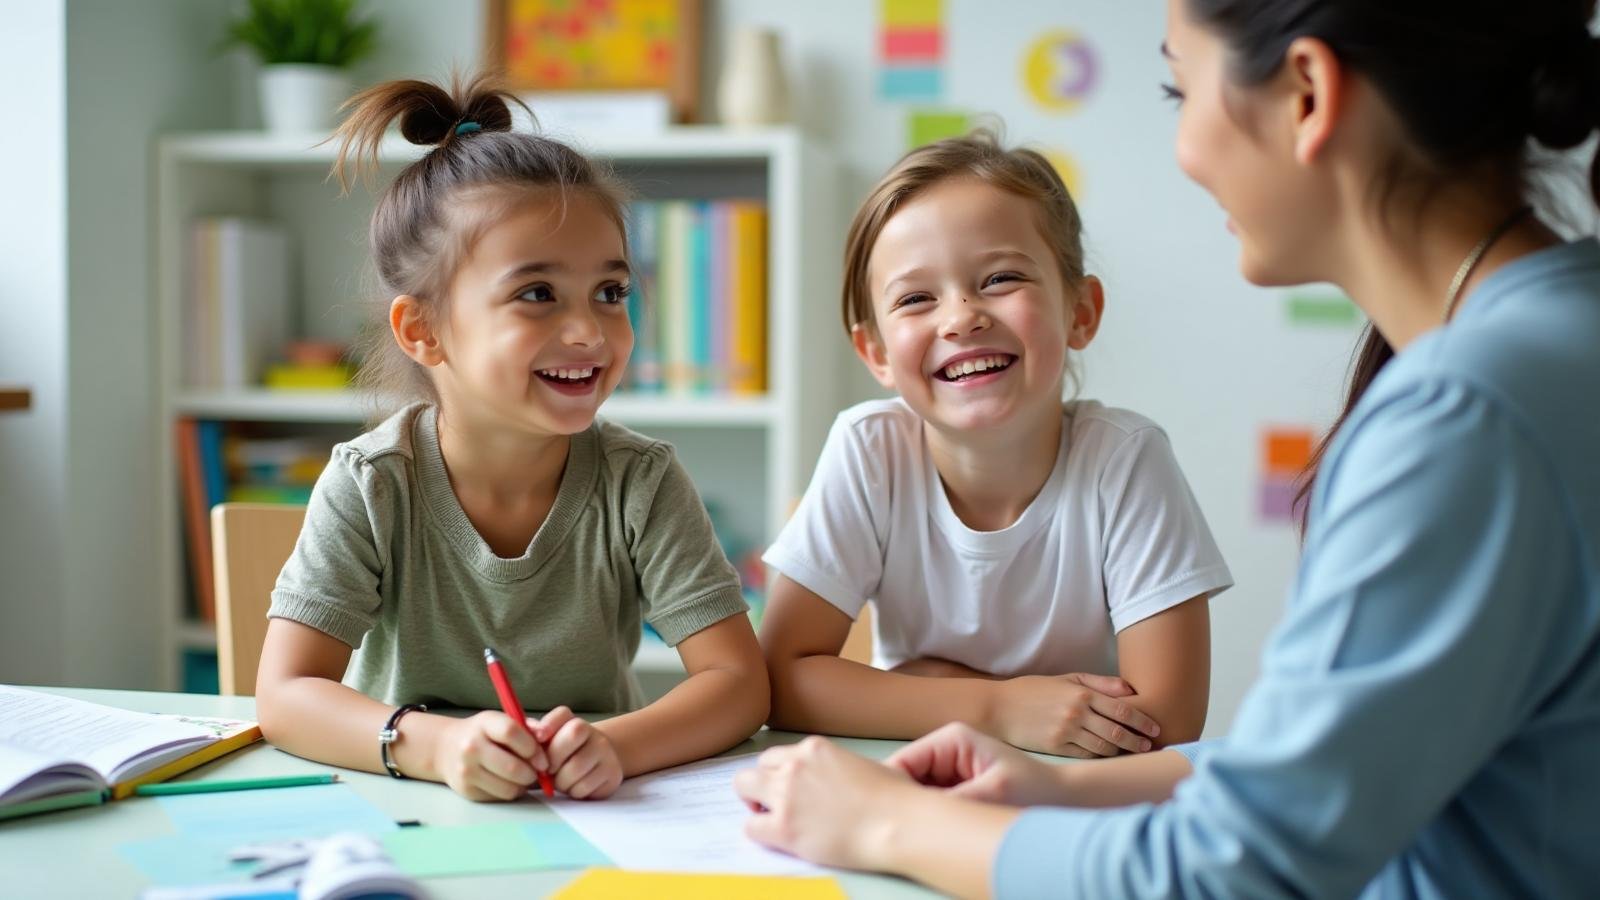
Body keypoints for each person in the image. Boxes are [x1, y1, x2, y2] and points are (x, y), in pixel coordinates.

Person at [734, 1, 1600, 896]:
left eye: (1179, 90)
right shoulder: (1554, 346)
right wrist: (1058, 780)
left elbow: (1234, 867)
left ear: (1307, 94)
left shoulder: (1466, 419)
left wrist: (886, 822)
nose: (1184, 151)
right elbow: (1327, 767)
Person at [254, 74, 768, 802]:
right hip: (411, 806)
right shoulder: (372, 482)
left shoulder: (640, 481)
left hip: (589, 811)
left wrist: (616, 747)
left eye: (611, 292)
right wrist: (438, 746)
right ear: (422, 330)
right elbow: (286, 695)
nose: (589, 332)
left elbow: (739, 683)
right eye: (537, 294)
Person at [760, 133, 1232, 758]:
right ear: (876, 353)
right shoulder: (869, 449)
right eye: (916, 298)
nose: (961, 317)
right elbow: (778, 681)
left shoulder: (1125, 459)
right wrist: (999, 707)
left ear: (1081, 312)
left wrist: (928, 684)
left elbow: (1167, 719)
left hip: (1076, 786)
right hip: (917, 779)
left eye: (1001, 278)